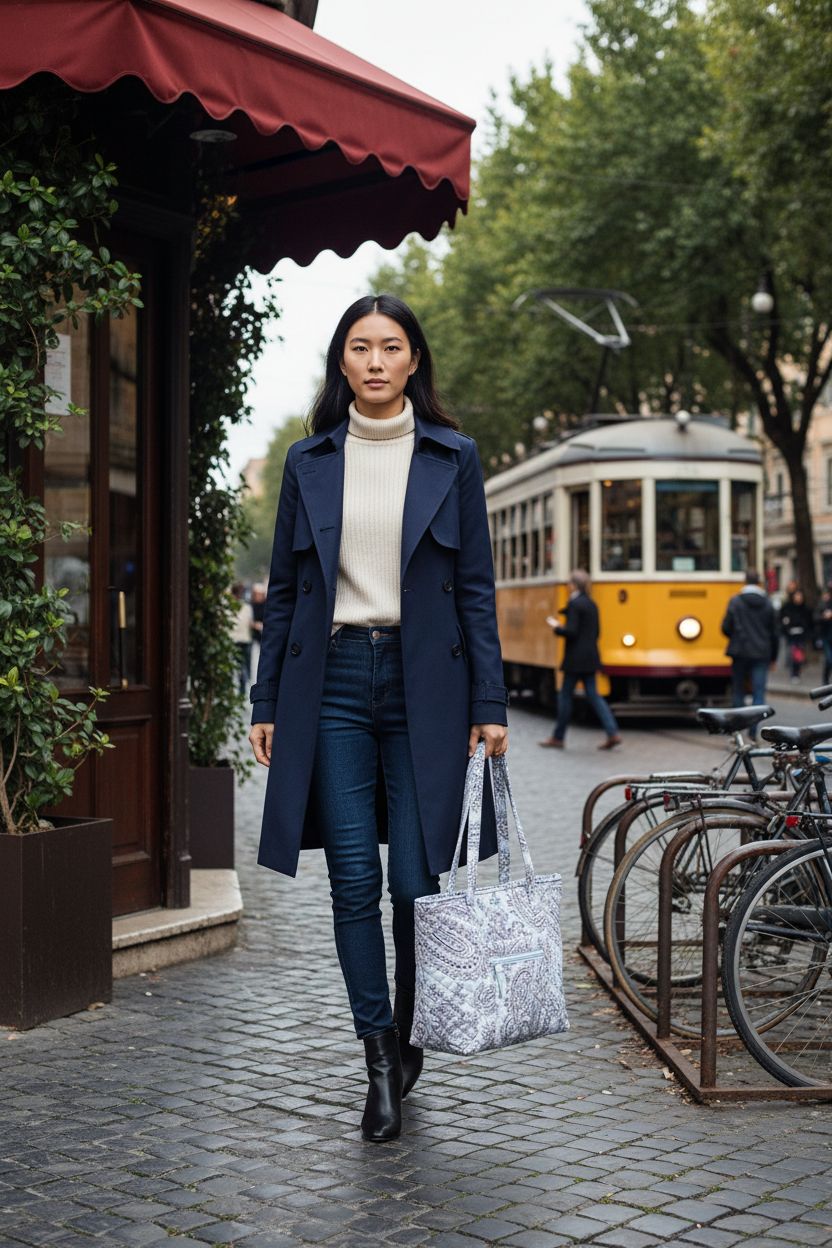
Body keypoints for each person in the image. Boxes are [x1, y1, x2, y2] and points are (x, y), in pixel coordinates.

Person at [247, 294, 509, 1144]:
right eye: (358, 347)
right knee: (355, 880)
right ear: (341, 364)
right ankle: (377, 1062)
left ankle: (407, 1030)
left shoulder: (453, 457)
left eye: (390, 347)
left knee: (414, 885)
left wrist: (491, 704)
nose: (373, 361)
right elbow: (285, 594)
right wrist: (263, 703)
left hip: (424, 685)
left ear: (413, 362)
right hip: (327, 684)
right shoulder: (308, 460)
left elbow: (474, 588)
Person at [539, 569, 621, 750]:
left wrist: (557, 627)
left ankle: (558, 737)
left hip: (575, 659)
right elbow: (597, 632)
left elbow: (572, 631)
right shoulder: (592, 604)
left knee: (565, 695)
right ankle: (612, 731)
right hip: (591, 656)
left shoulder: (575, 604)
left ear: (573, 585)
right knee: (594, 695)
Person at [721, 569, 779, 717]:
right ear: (759, 581)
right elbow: (774, 633)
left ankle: (739, 727)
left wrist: (735, 637)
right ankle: (754, 730)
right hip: (761, 653)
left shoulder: (735, 601)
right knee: (758, 691)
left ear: (745, 580)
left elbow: (726, 627)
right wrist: (774, 657)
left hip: (739, 651)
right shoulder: (767, 603)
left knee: (738, 690)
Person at [779, 588, 813, 682]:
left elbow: (809, 622)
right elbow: (782, 619)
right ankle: (794, 673)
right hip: (791, 635)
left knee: (798, 654)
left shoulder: (806, 609)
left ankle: (796, 672)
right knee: (794, 653)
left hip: (801, 635)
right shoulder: (788, 607)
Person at [230, 582, 254, 696]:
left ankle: (237, 690)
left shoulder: (229, 607)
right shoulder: (247, 607)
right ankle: (242, 690)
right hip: (244, 639)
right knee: (243, 666)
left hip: (234, 640)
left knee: (234, 666)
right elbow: (250, 623)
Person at [815, 585, 832, 685]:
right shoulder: (824, 603)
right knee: (829, 660)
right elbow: (816, 617)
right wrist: (825, 616)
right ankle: (825, 680)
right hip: (826, 636)